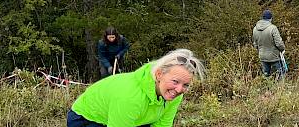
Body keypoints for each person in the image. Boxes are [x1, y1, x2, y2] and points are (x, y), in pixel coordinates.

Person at [67, 48, 206, 127]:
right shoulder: (130, 96)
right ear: (159, 74)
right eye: (175, 81)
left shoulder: (174, 93)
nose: (179, 89)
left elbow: (163, 124)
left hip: (134, 119)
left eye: (185, 85)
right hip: (87, 120)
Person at [252, 9, 287, 79]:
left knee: (266, 76)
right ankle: (280, 88)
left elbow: (255, 44)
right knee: (280, 74)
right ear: (271, 18)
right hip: (274, 56)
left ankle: (267, 89)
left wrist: (260, 50)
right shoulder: (273, 28)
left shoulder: (255, 28)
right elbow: (279, 43)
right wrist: (283, 49)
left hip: (262, 56)